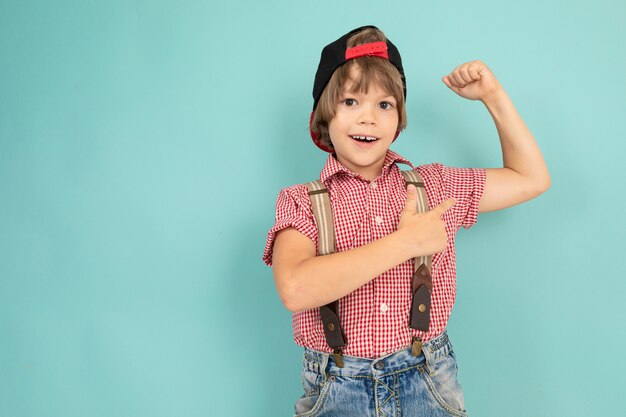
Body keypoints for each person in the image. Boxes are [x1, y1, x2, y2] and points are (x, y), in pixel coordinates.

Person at [262, 25, 550, 417]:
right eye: (350, 102)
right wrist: (406, 242)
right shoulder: (301, 201)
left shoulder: (433, 184)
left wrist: (493, 98)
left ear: (398, 119)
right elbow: (295, 288)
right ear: (324, 115)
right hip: (337, 387)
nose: (368, 118)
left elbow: (530, 178)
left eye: (384, 105)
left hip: (428, 379)